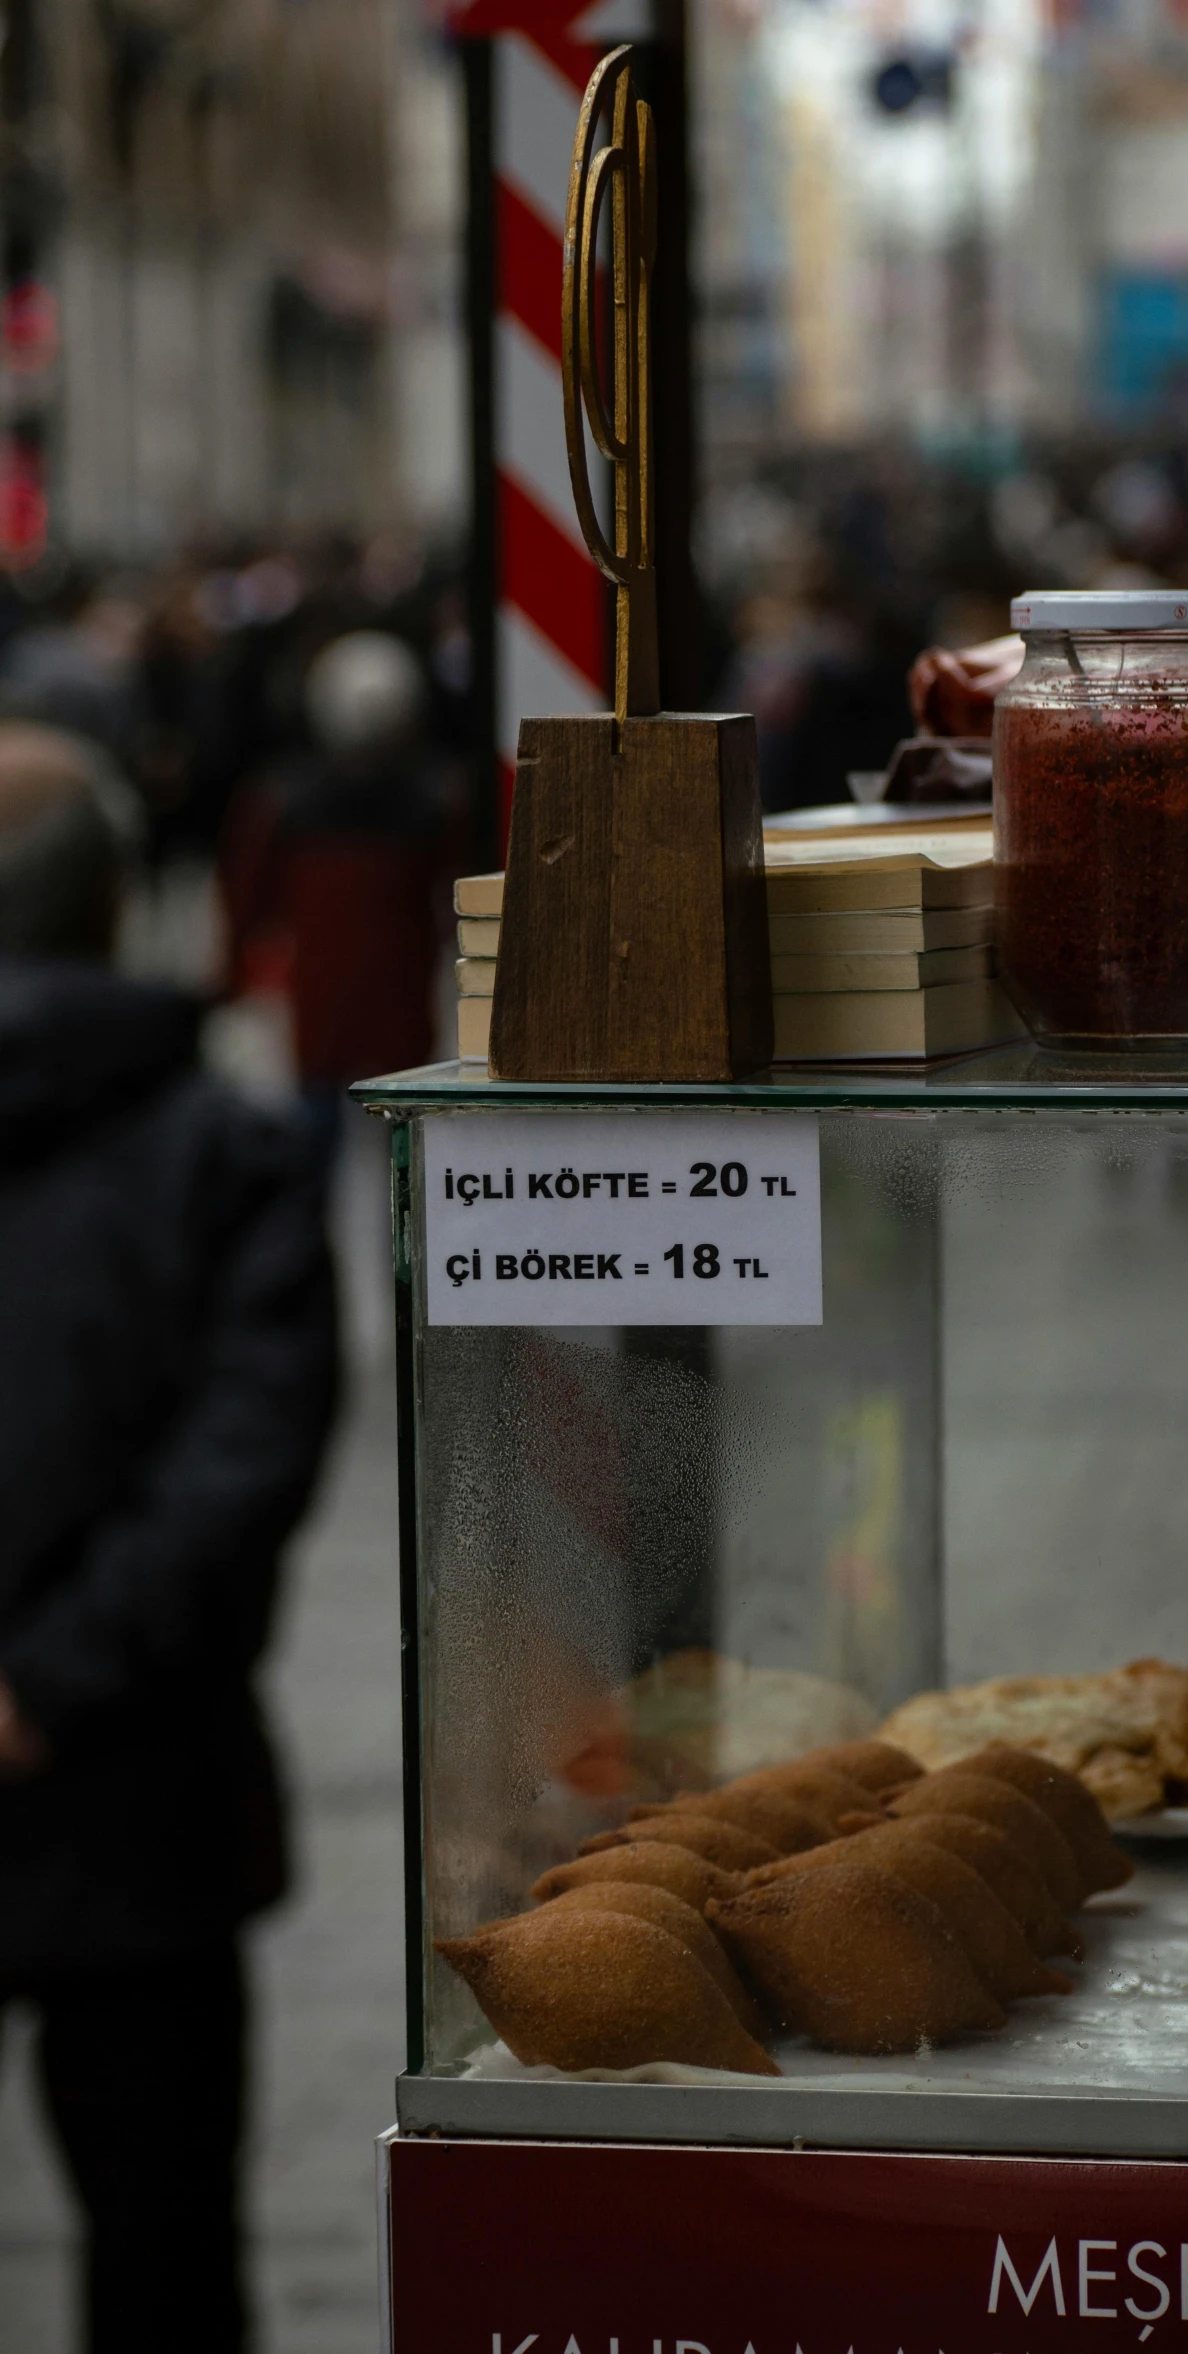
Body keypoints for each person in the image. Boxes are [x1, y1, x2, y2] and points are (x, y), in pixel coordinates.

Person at [0, 721, 338, 2352]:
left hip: (129, 1772)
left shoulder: (224, 1143)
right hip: (147, 1780)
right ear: (116, 898)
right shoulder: (224, 1144)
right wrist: (53, 1680)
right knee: (163, 2250)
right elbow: (246, 1453)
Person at [220, 628, 466, 1160]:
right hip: (392, 1010)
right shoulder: (434, 804)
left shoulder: (281, 802)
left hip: (326, 1012)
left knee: (316, 1152)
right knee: (396, 1161)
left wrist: (228, 980)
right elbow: (456, 909)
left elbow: (247, 909)